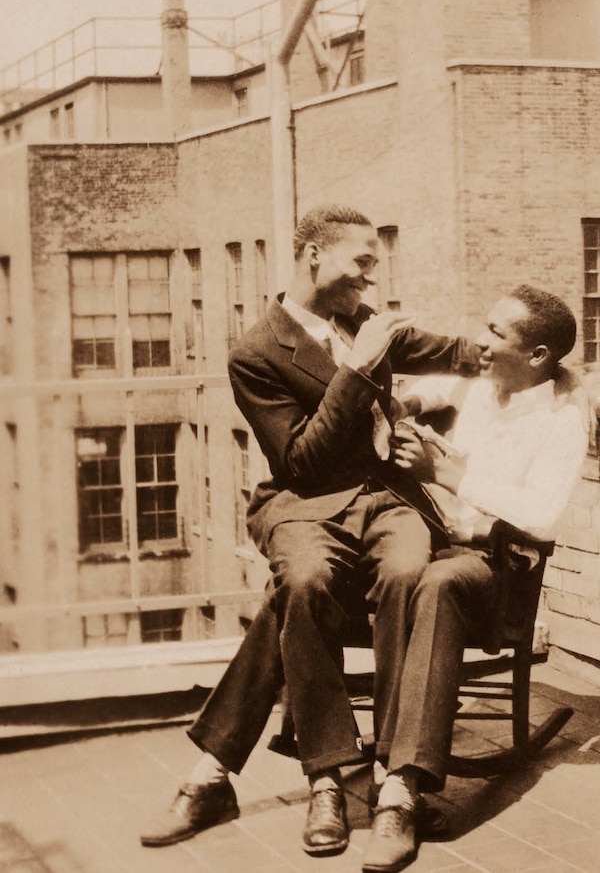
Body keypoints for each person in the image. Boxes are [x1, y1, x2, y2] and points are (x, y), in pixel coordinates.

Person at [140, 204, 479, 854]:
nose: (370, 279)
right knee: (303, 579)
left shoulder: (358, 321)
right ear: (313, 255)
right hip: (303, 501)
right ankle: (325, 777)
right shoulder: (255, 351)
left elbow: (438, 347)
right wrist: (357, 370)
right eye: (361, 262)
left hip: (384, 498)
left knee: (408, 570)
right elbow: (301, 460)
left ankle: (388, 780)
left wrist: (505, 357)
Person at [360, 284, 589, 873]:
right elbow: (430, 388)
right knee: (368, 569)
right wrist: (404, 412)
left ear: (537, 355)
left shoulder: (564, 417)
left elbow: (542, 516)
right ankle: (334, 757)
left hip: (499, 572)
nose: (480, 343)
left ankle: (401, 793)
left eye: (497, 333)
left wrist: (453, 475)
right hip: (438, 542)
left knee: (438, 584)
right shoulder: (485, 385)